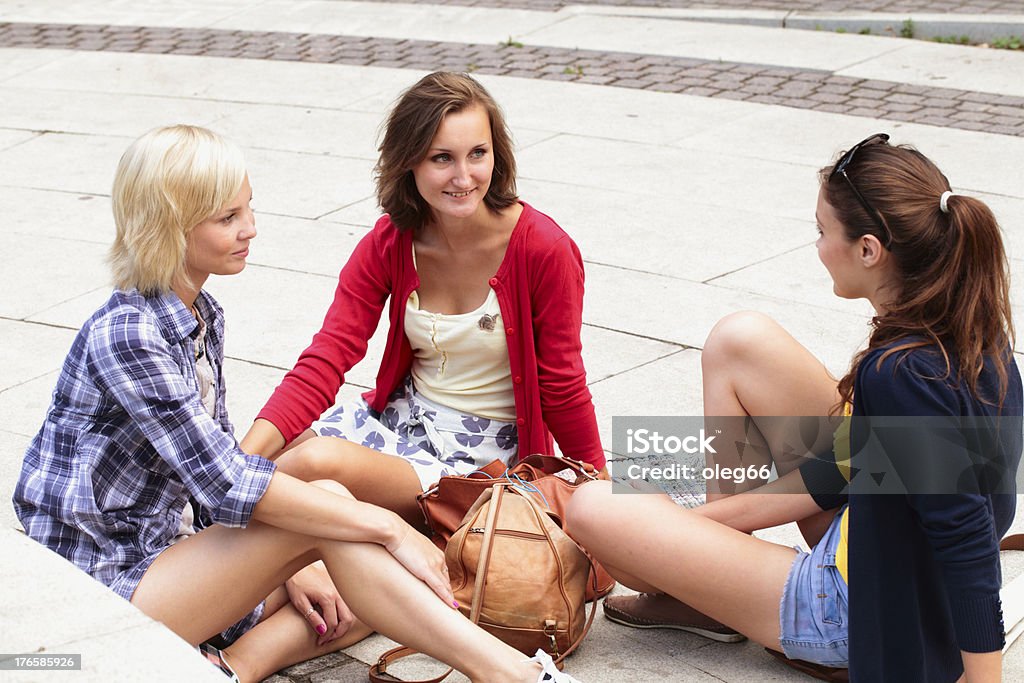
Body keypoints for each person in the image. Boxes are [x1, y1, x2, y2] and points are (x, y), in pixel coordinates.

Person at [12, 125, 582, 683]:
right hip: (99, 588)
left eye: (248, 209)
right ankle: (512, 675)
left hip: (165, 550)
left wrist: (592, 486)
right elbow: (229, 482)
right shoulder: (131, 333)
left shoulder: (199, 315)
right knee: (345, 526)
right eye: (228, 218)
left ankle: (233, 668)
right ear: (169, 227)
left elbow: (564, 382)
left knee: (353, 579)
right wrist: (387, 527)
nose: (251, 229)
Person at [566, 133, 1021, 682]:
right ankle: (705, 595)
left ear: (870, 249)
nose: (818, 246)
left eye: (823, 231)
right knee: (739, 339)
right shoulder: (969, 321)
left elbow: (967, 535)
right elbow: (846, 468)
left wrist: (982, 679)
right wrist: (697, 529)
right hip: (880, 544)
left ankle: (747, 608)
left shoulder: (900, 374)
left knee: (592, 506)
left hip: (854, 609)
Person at [241, 72, 607, 528]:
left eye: (478, 153)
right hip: (400, 422)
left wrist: (599, 494)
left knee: (314, 465)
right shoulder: (392, 242)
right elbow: (328, 355)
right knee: (280, 451)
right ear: (408, 163)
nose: (463, 176)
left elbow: (563, 385)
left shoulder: (544, 248)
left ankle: (218, 533)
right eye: (441, 158)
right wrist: (236, 461)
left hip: (480, 461)